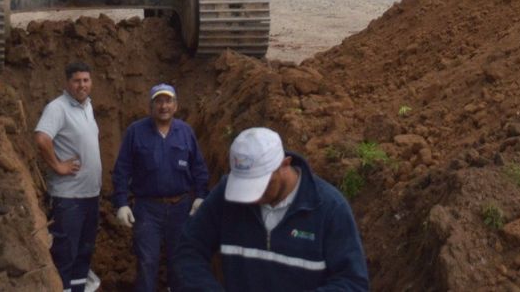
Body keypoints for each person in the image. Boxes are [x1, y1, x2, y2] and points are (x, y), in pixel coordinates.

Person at [174, 126, 369, 292]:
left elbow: (352, 282)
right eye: (245, 187)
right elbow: (189, 249)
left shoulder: (329, 208)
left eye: (260, 186)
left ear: (284, 165)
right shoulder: (226, 197)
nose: (252, 197)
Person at [111, 83, 210, 291]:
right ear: (151, 105)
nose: (163, 106)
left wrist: (201, 196)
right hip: (147, 209)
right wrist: (121, 203)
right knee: (147, 261)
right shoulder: (135, 132)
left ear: (175, 105)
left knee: (179, 261)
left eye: (168, 101)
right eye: (159, 101)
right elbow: (122, 170)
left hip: (180, 208)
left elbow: (199, 168)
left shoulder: (185, 132)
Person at [34, 61, 103, 292]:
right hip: (69, 198)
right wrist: (57, 166)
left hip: (90, 195)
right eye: (76, 80)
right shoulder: (58, 108)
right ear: (67, 83)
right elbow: (42, 138)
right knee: (66, 253)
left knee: (84, 252)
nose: (81, 85)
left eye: (85, 80)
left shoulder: (87, 106)